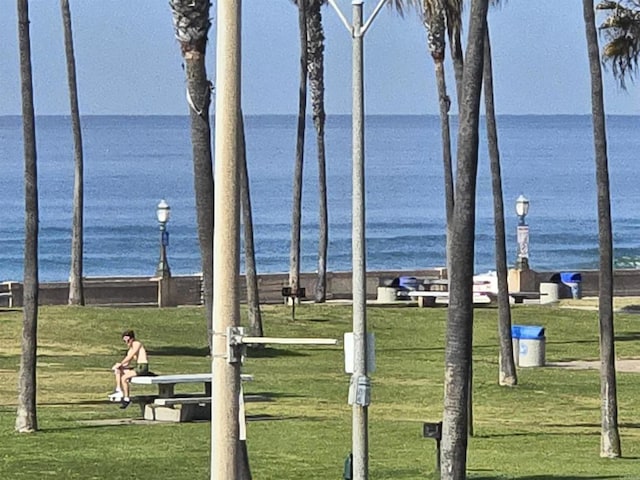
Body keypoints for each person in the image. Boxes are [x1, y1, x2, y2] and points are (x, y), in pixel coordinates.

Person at [109, 330, 149, 409]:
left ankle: (127, 399)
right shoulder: (131, 348)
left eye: (128, 340)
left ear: (132, 339)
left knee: (124, 378)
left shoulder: (136, 344)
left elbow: (130, 357)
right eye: (125, 341)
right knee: (119, 370)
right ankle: (119, 390)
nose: (127, 343)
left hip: (142, 367)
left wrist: (120, 363)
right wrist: (119, 367)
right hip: (138, 367)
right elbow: (127, 363)